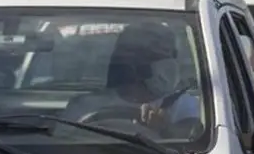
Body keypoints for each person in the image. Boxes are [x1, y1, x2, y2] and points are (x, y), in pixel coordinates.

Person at [59, 22, 198, 132]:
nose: (169, 64)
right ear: (131, 61)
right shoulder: (84, 106)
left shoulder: (186, 107)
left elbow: (193, 149)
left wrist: (166, 131)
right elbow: (61, 146)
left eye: (171, 55)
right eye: (155, 55)